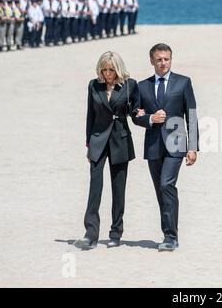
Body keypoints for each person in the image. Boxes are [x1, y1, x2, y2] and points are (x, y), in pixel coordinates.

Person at [134, 43, 199, 252]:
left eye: (167, 59)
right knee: (160, 191)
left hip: (176, 144)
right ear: (152, 61)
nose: (163, 63)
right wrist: (150, 118)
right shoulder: (141, 86)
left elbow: (191, 115)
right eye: (159, 59)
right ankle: (168, 233)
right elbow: (135, 115)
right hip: (153, 145)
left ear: (171, 59)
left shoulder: (183, 82)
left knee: (166, 185)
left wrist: (193, 147)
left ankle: (171, 237)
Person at [74, 51, 141, 250]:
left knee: (118, 189)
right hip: (97, 140)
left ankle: (115, 233)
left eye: (112, 69)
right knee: (95, 188)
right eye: (105, 69)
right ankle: (90, 233)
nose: (108, 73)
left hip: (120, 140)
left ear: (118, 69)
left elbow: (135, 110)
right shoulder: (93, 85)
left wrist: (141, 113)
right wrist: (88, 144)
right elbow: (90, 116)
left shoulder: (130, 85)